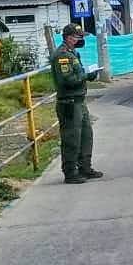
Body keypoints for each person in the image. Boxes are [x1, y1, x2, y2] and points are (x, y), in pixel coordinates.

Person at [51, 23, 101, 184]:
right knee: (71, 138)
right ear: (68, 38)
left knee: (86, 136)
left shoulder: (73, 53)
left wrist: (88, 75)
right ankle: (70, 171)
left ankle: (85, 167)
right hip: (69, 103)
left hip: (79, 101)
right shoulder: (62, 55)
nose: (80, 40)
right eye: (77, 37)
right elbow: (67, 80)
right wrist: (86, 76)